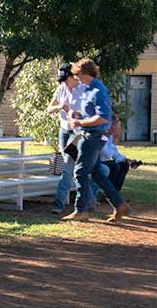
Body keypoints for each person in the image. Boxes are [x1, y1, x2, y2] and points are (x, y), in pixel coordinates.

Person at [62, 58, 131, 223]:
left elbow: (102, 118)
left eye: (77, 74)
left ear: (85, 73)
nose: (76, 77)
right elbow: (91, 114)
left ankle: (80, 210)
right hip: (91, 135)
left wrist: (79, 122)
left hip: (93, 137)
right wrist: (76, 114)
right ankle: (120, 205)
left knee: (80, 172)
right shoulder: (88, 89)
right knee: (98, 174)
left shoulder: (98, 90)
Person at [46, 63, 86, 214]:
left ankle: (60, 204)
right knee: (69, 168)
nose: (62, 82)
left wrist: (77, 114)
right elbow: (49, 109)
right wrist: (60, 106)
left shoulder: (82, 89)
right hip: (64, 131)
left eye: (65, 78)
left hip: (78, 133)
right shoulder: (61, 89)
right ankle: (78, 202)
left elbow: (89, 112)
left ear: (72, 76)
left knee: (70, 168)